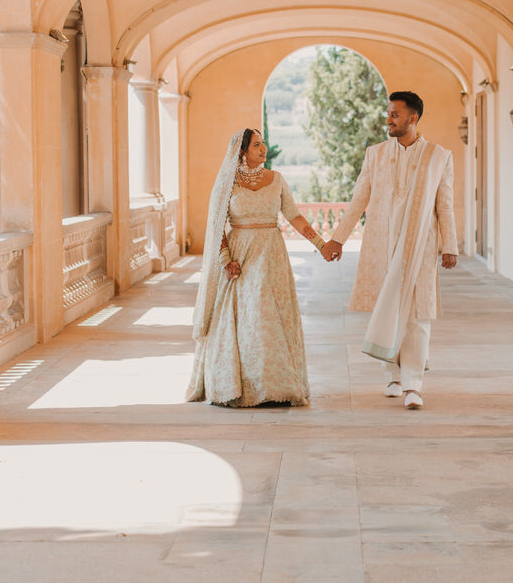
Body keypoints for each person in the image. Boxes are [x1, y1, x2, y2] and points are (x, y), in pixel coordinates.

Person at [322, 91, 457, 410]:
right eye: (388, 114)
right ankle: (393, 377)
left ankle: (413, 385)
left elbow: (445, 205)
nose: (388, 119)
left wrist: (449, 245)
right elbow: (359, 199)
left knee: (418, 315)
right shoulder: (376, 154)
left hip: (421, 246)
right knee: (388, 309)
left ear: (413, 117)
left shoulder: (439, 156)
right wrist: (337, 239)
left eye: (395, 114)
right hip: (381, 245)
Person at [186, 128, 330, 407]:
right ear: (242, 151)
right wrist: (225, 260)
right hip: (240, 256)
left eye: (263, 143)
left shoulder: (277, 180)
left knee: (267, 314)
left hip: (271, 255)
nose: (263, 148)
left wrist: (321, 244)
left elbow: (294, 216)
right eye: (256, 145)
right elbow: (217, 225)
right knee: (246, 317)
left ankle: (274, 386)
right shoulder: (228, 182)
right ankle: (242, 385)